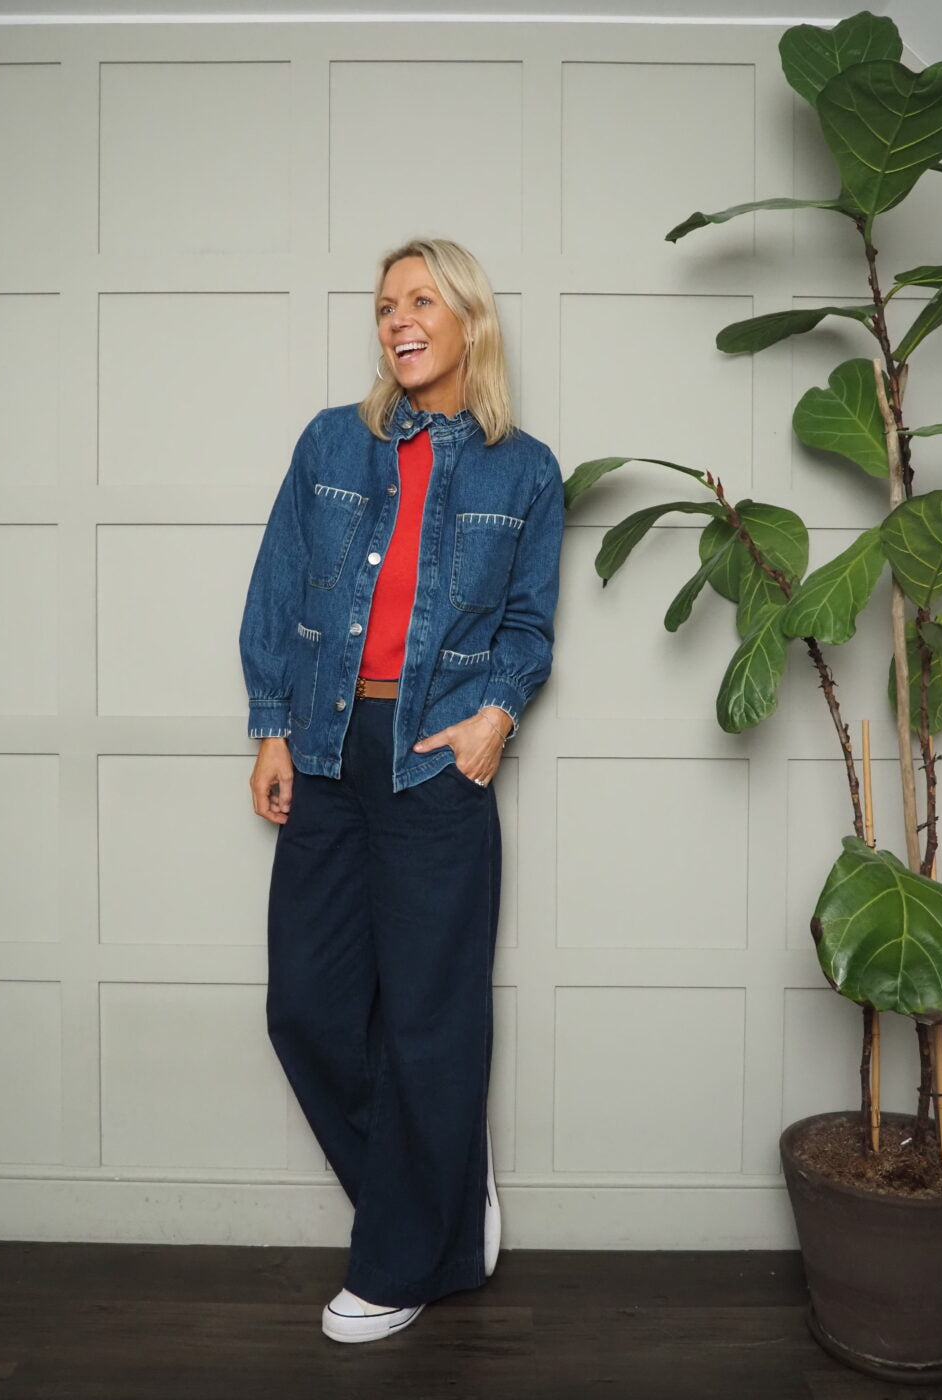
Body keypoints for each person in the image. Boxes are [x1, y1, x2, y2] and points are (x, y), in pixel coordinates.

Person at [238, 236, 564, 1344]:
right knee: (307, 1005)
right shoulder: (333, 443)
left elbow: (528, 624)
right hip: (328, 746)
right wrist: (272, 728)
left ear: (469, 318)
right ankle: (442, 1194)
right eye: (386, 307)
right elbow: (278, 588)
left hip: (434, 756)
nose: (399, 321)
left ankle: (398, 1261)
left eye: (422, 300)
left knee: (430, 1017)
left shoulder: (526, 471)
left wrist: (494, 717)